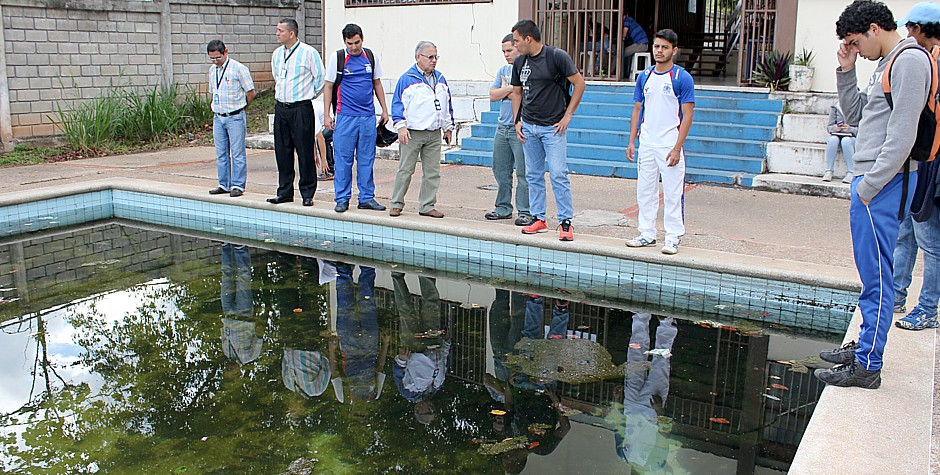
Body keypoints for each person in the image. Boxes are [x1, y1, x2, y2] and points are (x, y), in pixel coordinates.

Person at [815, 0, 930, 389]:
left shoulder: (909, 61)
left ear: (875, 29)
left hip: (883, 183)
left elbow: (903, 134)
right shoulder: (886, 62)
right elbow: (859, 116)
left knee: (878, 275)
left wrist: (869, 185)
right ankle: (865, 345)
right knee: (872, 272)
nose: (856, 50)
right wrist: (846, 71)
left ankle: (868, 364)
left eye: (855, 42)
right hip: (874, 181)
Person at [510, 19, 586, 241]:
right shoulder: (520, 62)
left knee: (558, 173)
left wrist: (568, 115)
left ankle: (565, 222)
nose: (515, 46)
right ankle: (538, 219)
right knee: (533, 174)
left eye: (516, 41)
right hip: (529, 126)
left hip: (553, 128)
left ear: (528, 38)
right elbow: (517, 92)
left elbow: (579, 84)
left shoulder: (556, 56)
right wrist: (517, 121)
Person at [625, 29, 695, 255]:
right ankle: (646, 233)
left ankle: (673, 237)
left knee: (673, 192)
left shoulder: (681, 78)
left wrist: (676, 148)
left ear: (674, 50)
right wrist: (631, 141)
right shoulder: (644, 76)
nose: (659, 51)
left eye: (665, 47)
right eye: (657, 46)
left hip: (669, 145)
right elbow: (637, 109)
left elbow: (688, 114)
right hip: (647, 143)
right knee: (645, 190)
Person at [892, 2, 940, 331]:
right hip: (922, 161)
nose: (907, 35)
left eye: (910, 28)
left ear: (921, 28)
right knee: (906, 230)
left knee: (929, 239)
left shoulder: (931, 60)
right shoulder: (927, 59)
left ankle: (928, 307)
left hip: (934, 165)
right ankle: (896, 294)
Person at [323, 24, 390, 214]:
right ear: (344, 42)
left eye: (357, 42)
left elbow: (377, 83)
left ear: (362, 39)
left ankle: (366, 198)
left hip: (367, 117)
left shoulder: (370, 56)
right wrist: (327, 114)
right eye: (349, 43)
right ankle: (342, 198)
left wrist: (384, 110)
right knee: (343, 160)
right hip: (345, 118)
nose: (354, 47)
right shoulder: (337, 58)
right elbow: (328, 87)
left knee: (366, 159)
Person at [389, 41, 454, 219]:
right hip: (412, 133)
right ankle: (396, 203)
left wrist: (448, 128)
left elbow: (447, 104)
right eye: (430, 57)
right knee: (405, 170)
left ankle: (427, 205)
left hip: (433, 133)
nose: (434, 61)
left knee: (433, 172)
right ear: (418, 57)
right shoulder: (407, 79)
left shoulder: (440, 78)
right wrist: (400, 126)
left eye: (436, 57)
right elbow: (397, 105)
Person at [268, 18, 325, 207]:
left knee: (305, 151)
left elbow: (320, 80)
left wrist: (306, 96)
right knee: (282, 151)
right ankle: (284, 191)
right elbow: (277, 77)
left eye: (280, 30)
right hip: (281, 108)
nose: (277, 33)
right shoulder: (277, 54)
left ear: (291, 33)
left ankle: (307, 193)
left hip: (301, 108)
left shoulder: (309, 53)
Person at [486, 34, 534, 226]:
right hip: (502, 127)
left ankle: (525, 210)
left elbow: (520, 95)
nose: (506, 55)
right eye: (503, 51)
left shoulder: (527, 69)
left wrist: (509, 90)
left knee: (523, 172)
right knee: (501, 169)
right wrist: (509, 90)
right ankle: (503, 207)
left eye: (509, 51)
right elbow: (492, 95)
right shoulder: (503, 70)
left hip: (521, 127)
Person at [390, 272, 450, 425]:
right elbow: (442, 362)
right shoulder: (436, 388)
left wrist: (402, 360)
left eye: (428, 412)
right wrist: (447, 343)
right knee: (432, 305)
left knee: (406, 310)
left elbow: (398, 373)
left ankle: (397, 276)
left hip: (412, 346)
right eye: (433, 411)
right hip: (434, 342)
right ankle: (426, 274)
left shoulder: (408, 392)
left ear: (418, 410)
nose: (431, 408)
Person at [328, 263, 390, 403]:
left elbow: (335, 373)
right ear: (367, 414)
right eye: (362, 415)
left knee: (345, 304)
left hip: (349, 348)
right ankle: (367, 267)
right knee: (367, 302)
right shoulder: (375, 394)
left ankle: (343, 270)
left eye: (357, 415)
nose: (360, 412)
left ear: (351, 414)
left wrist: (332, 350)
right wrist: (385, 344)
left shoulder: (343, 397)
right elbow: (379, 368)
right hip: (370, 346)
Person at [207, 40, 255, 198]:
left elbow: (250, 92)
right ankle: (223, 183)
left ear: (225, 52)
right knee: (221, 153)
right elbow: (213, 91)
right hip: (219, 116)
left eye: (218, 58)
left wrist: (242, 108)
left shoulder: (238, 69)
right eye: (212, 58)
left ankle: (238, 185)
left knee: (237, 153)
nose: (215, 61)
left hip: (235, 116)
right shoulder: (212, 70)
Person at [219, 243, 262, 365]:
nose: (227, 371)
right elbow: (259, 335)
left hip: (227, 313)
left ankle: (226, 247)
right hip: (244, 313)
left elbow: (223, 334)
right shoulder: (249, 357)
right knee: (244, 278)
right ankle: (240, 249)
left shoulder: (227, 352)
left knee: (226, 276)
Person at [823, 104, 857, 183]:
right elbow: (829, 127)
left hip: (852, 137)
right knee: (832, 140)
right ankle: (829, 170)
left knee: (846, 141)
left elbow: (862, 129)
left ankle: (851, 172)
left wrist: (850, 129)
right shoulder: (835, 107)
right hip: (838, 135)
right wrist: (835, 128)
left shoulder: (858, 106)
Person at [622, 9, 650, 78]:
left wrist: (621, 38)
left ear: (625, 15)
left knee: (620, 54)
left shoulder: (627, 20)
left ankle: (611, 72)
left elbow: (624, 34)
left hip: (641, 45)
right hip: (643, 44)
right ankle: (625, 73)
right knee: (624, 53)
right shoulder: (632, 21)